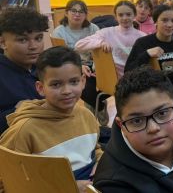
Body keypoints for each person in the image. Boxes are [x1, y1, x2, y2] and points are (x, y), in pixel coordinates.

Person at [0, 46, 102, 193]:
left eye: (73, 82)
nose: (67, 91)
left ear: (83, 81)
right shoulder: (25, 130)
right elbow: (8, 182)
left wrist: (101, 162)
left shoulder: (86, 116)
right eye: (56, 84)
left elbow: (94, 149)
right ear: (40, 88)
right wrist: (69, 187)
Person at [125, 5, 173, 100]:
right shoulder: (143, 43)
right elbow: (128, 70)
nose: (169, 25)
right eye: (164, 20)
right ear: (155, 21)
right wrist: (147, 54)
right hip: (153, 91)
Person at [0, 7, 48, 133]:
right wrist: (15, 112)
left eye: (38, 38)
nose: (33, 46)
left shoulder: (44, 66)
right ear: (2, 43)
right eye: (23, 40)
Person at [75, 0, 146, 78]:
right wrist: (100, 43)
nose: (125, 18)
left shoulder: (142, 36)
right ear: (116, 17)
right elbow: (79, 45)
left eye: (128, 14)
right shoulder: (106, 33)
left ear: (134, 15)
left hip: (135, 79)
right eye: (121, 15)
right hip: (110, 80)